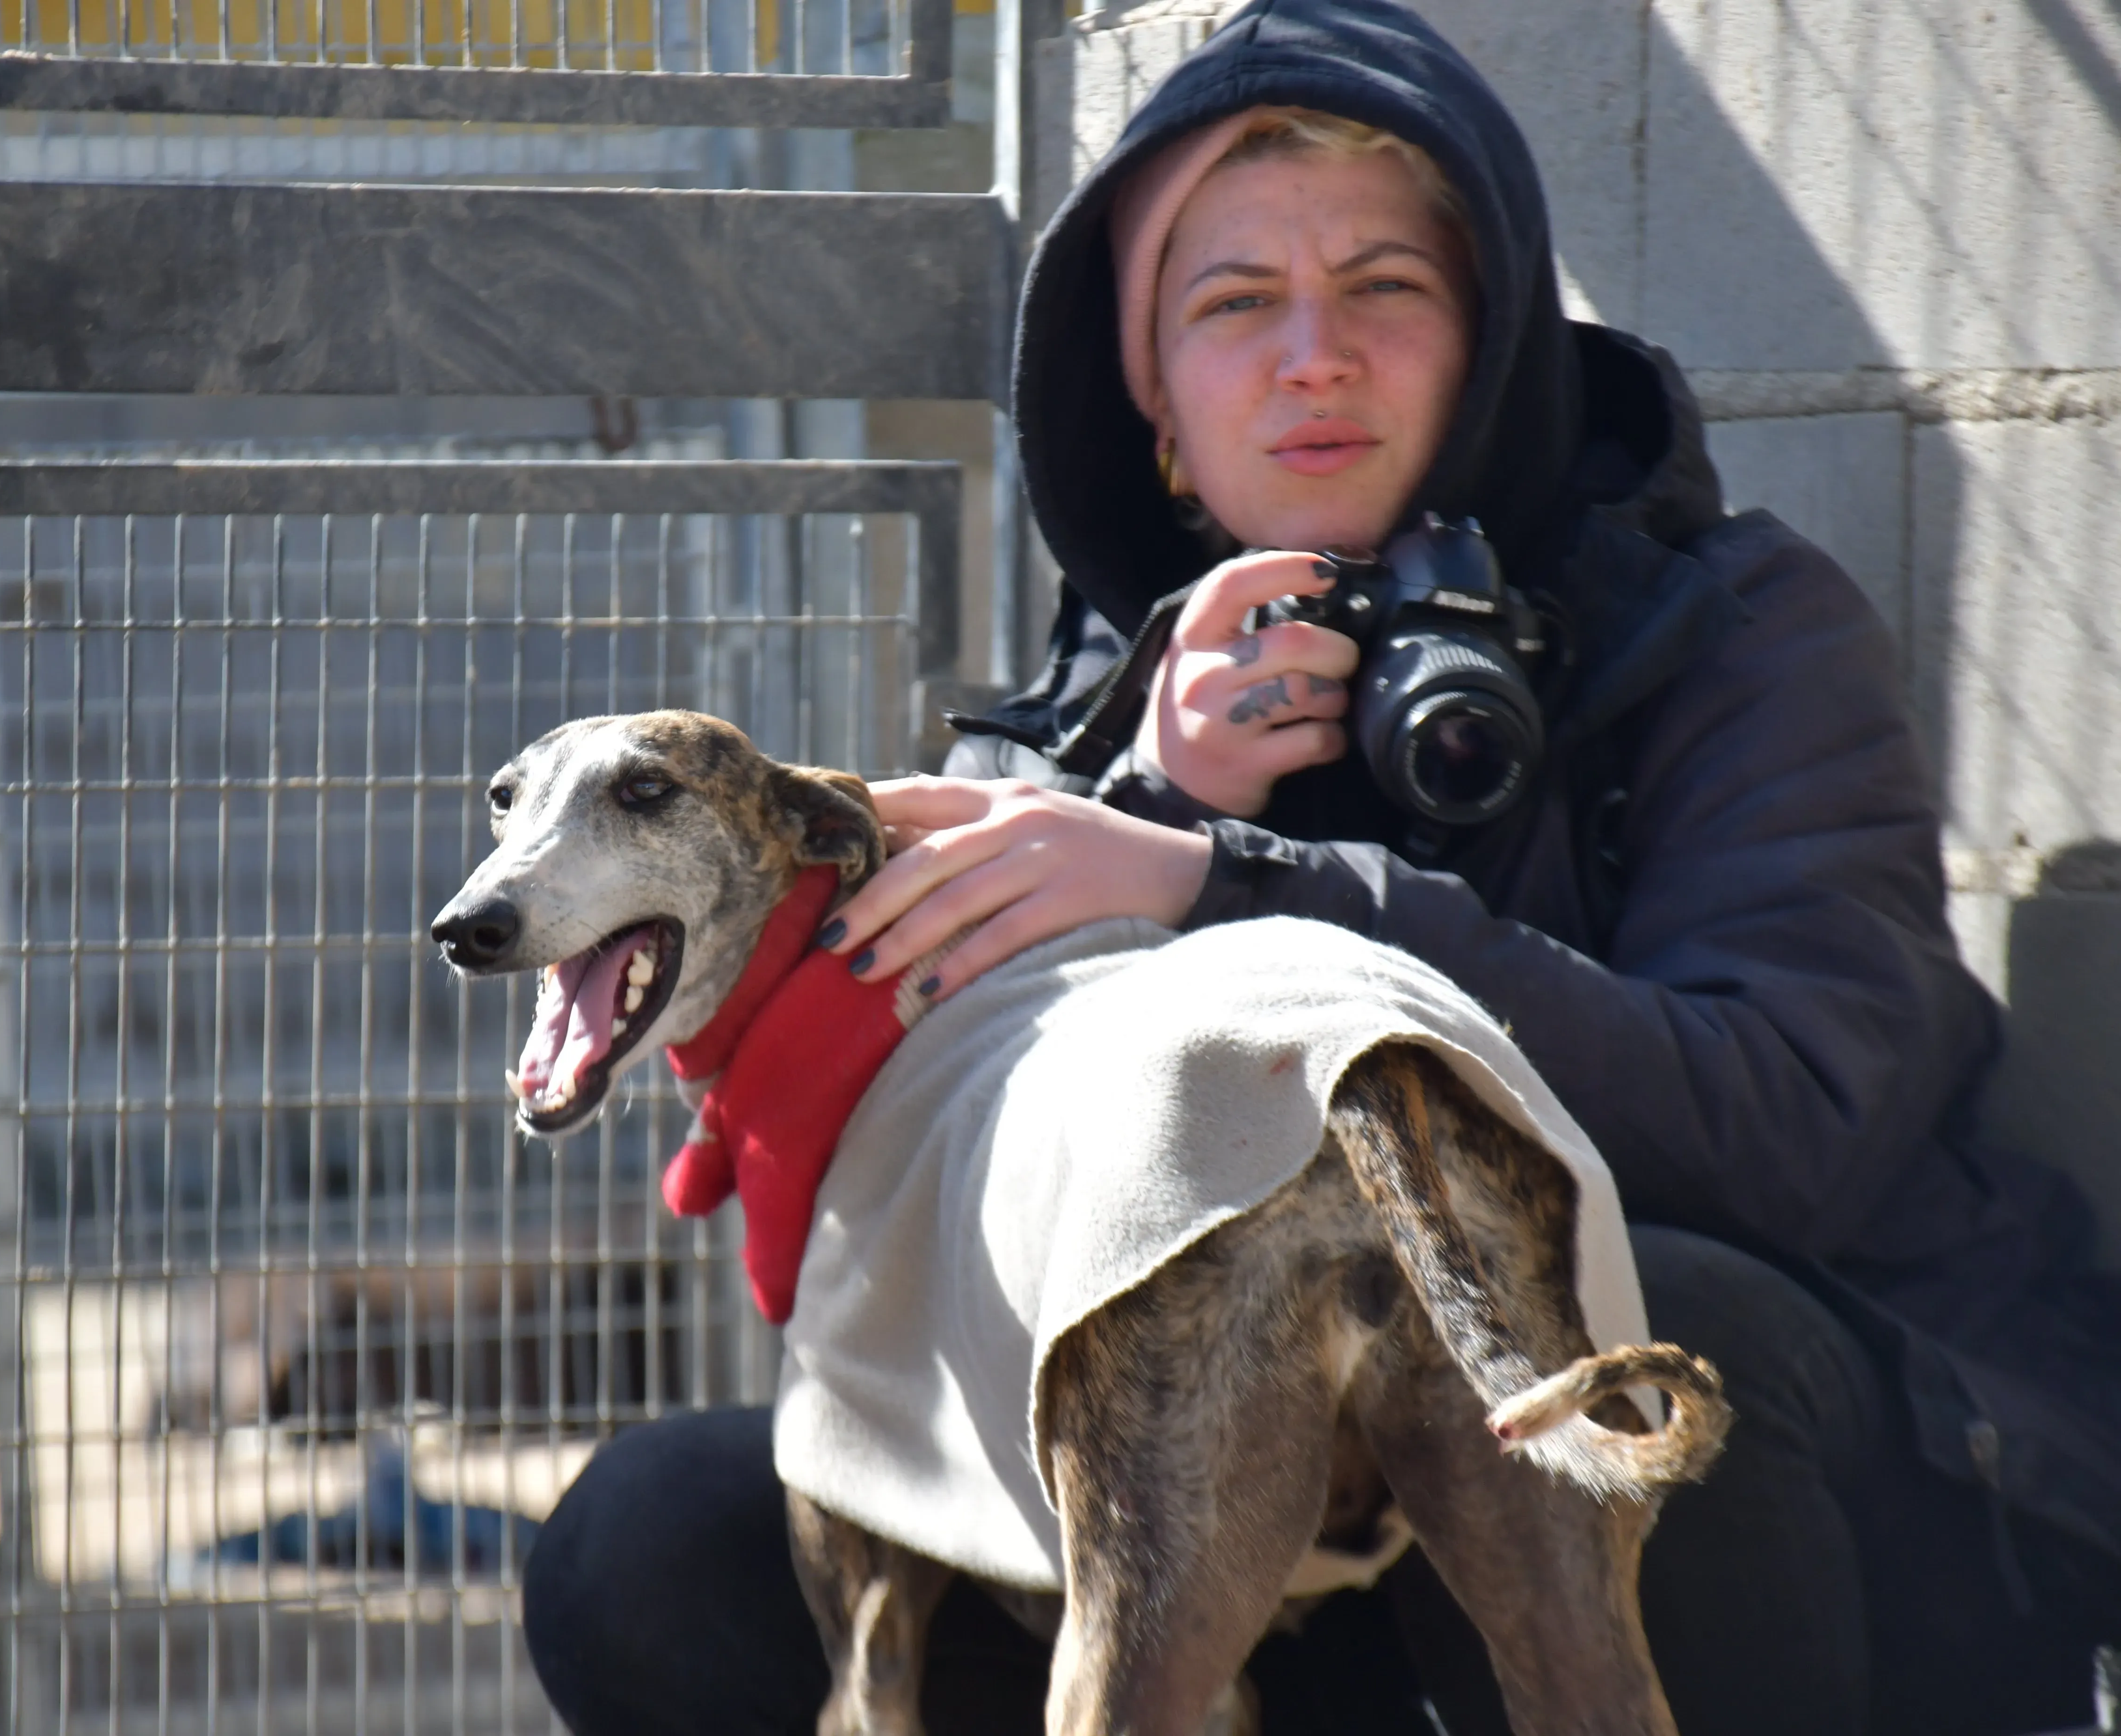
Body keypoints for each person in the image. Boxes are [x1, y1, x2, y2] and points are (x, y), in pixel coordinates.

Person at [521, 1, 2121, 1729]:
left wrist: (1225, 877)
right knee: (657, 1537)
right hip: (1250, 1524)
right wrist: (1141, 787)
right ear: (1152, 400)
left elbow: (1792, 1135)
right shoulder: (1063, 741)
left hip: (1810, 1500)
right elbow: (923, 1229)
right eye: (1232, 304)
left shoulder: (1734, 631)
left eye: (1386, 289)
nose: (1315, 356)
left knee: (1604, 1360)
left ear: (1492, 342)